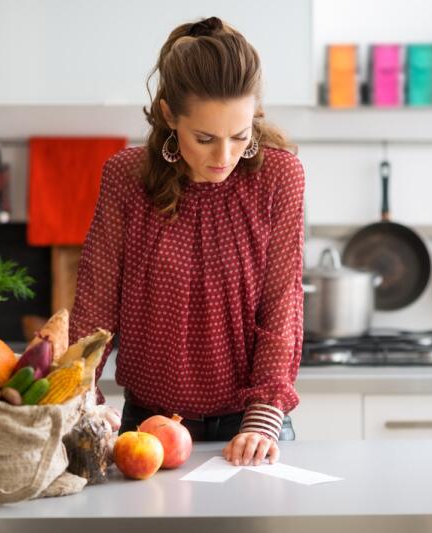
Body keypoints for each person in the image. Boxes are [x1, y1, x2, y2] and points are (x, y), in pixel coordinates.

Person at [68, 16, 304, 467]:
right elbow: (94, 306)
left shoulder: (279, 177)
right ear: (168, 116)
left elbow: (282, 304)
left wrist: (261, 419)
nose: (224, 157)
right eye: (205, 138)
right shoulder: (126, 177)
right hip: (148, 428)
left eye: (240, 136)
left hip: (253, 425)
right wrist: (81, 397)